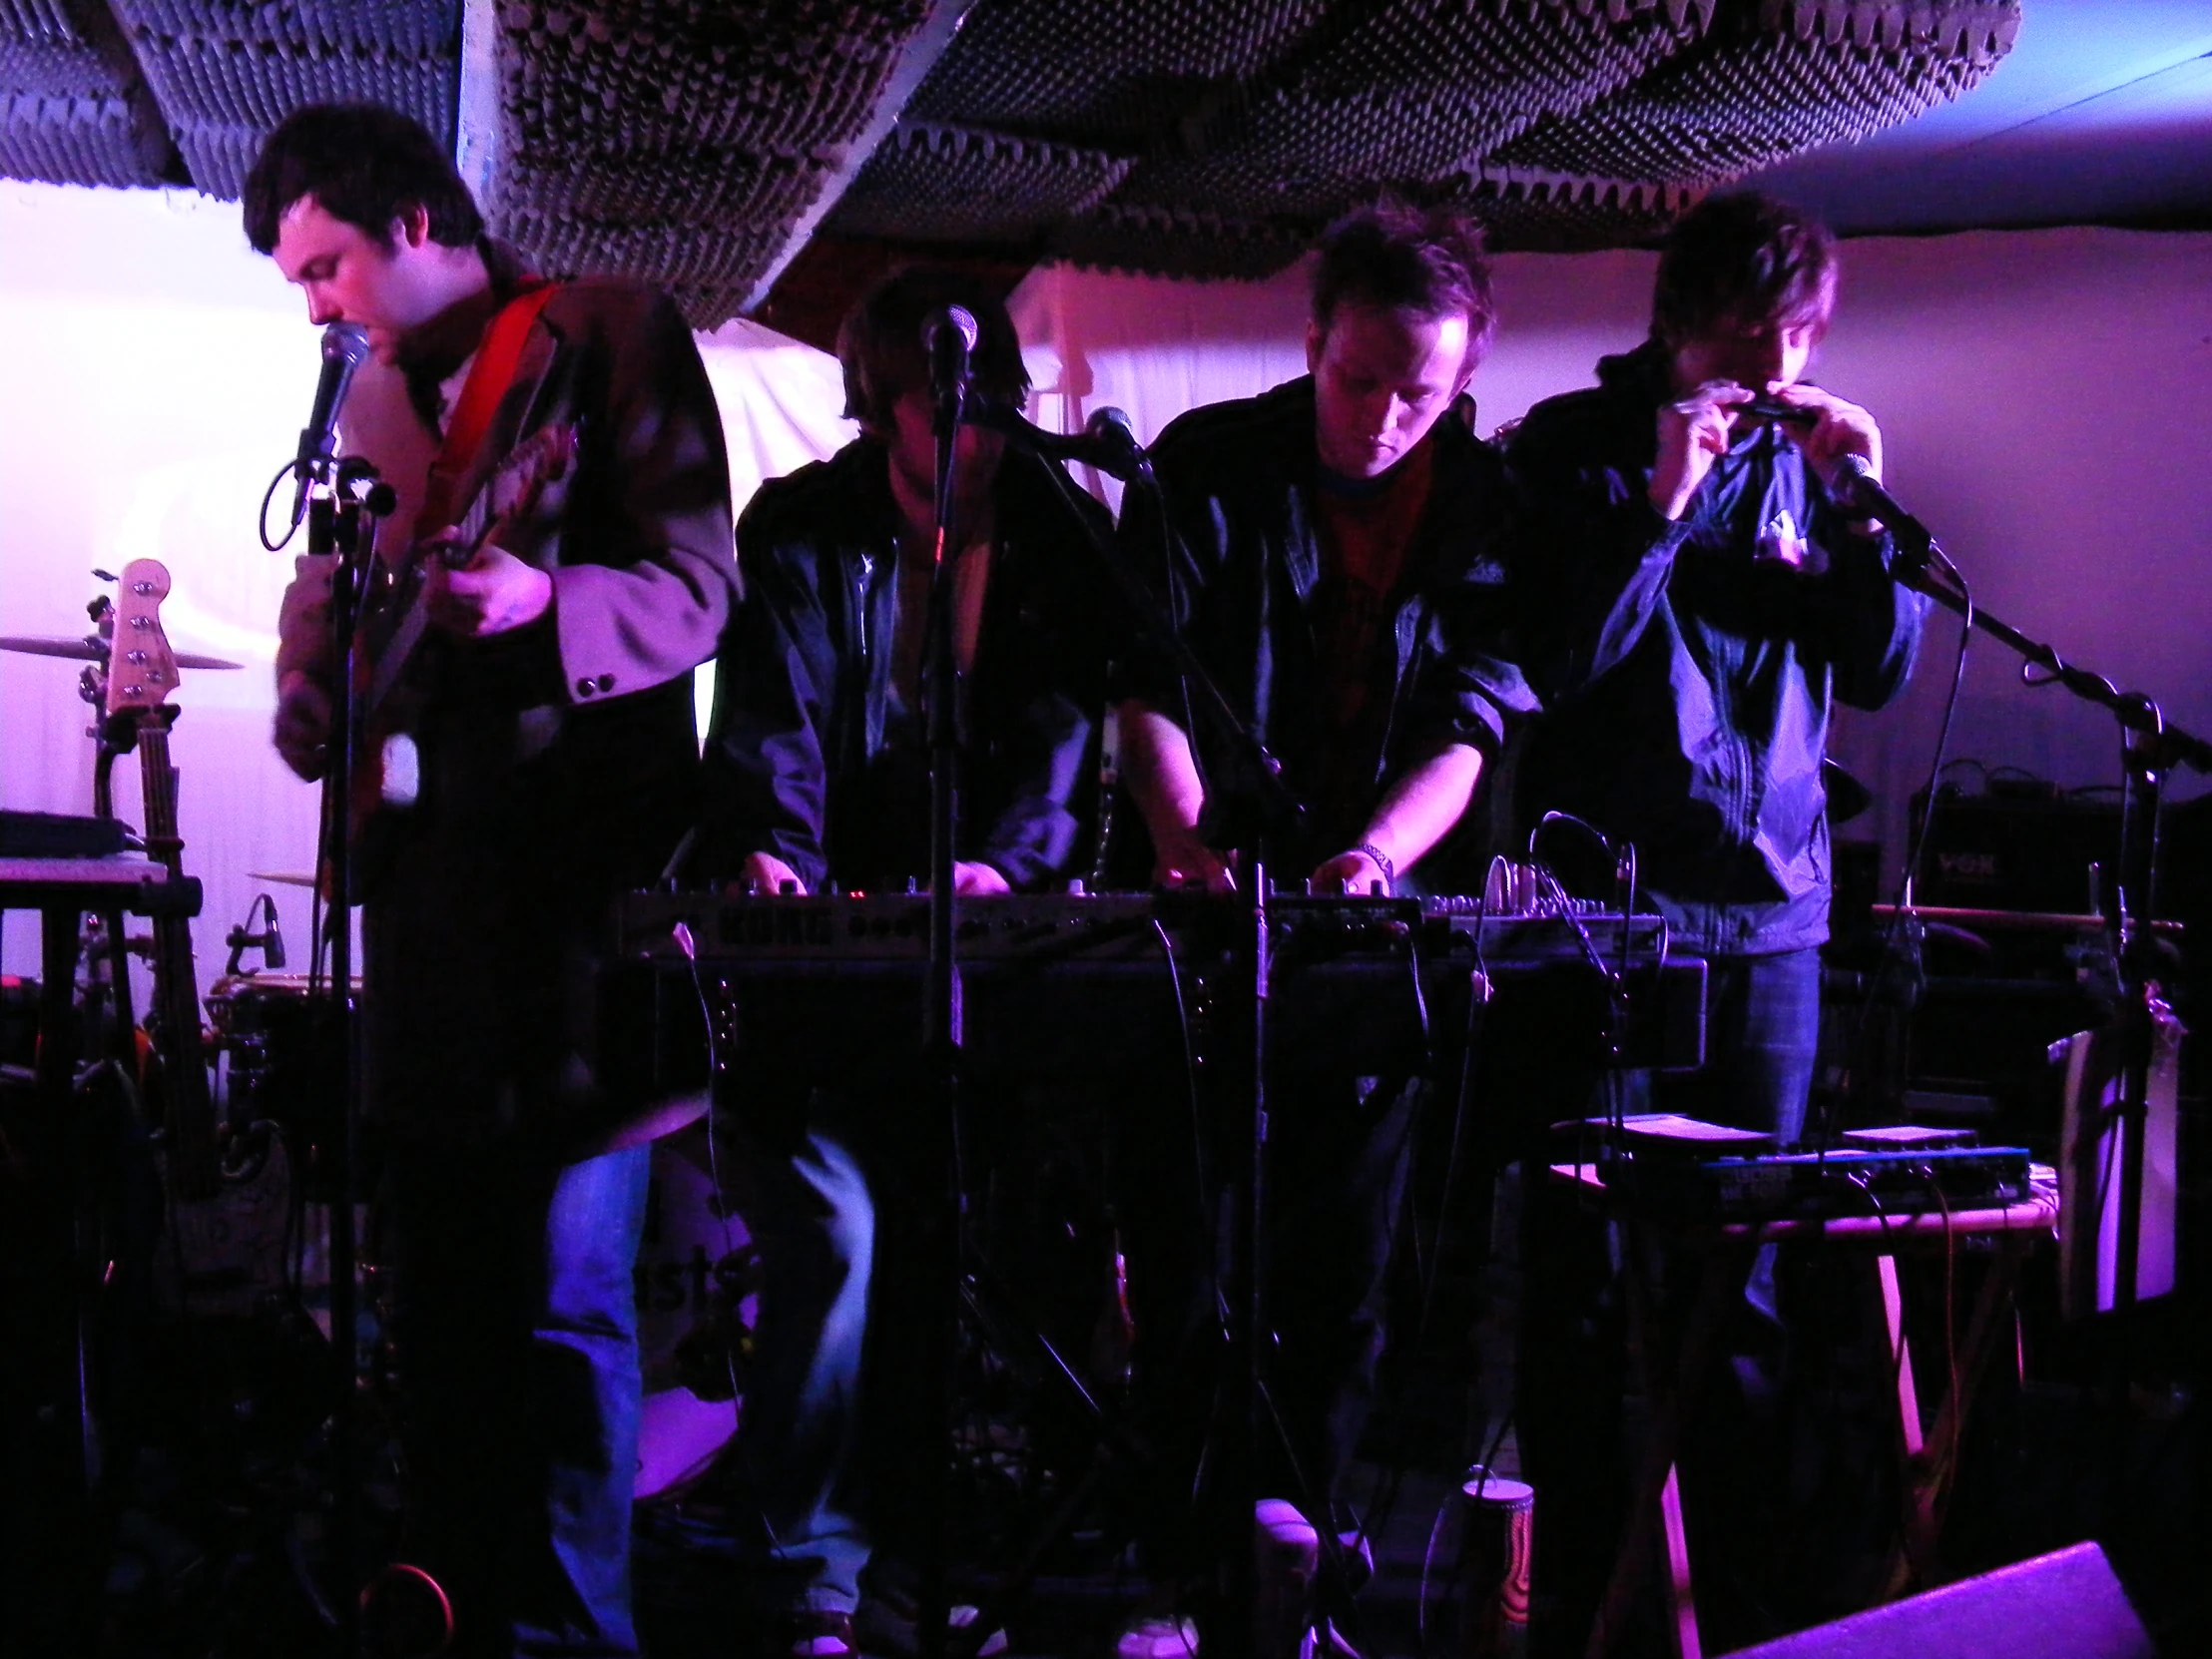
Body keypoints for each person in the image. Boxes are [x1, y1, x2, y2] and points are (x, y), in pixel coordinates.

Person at [246, 102, 737, 1657]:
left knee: (567, 1305)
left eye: (324, 264)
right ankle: (445, 1606)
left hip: (573, 933)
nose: (313, 303)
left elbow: (699, 584)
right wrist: (311, 679)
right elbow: (352, 640)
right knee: (438, 1313)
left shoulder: (605, 332)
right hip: (422, 932)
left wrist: (546, 595)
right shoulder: (368, 405)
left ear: (410, 223)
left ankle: (578, 1631)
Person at [1504, 191, 1927, 1651]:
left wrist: (1867, 505)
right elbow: (1551, 665)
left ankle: (1724, 1611)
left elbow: (1872, 670)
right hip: (1605, 924)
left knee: (1736, 1286)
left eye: (1804, 333)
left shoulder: (1811, 467)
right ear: (1680, 321)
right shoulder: (1568, 445)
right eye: (1756, 335)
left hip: (1772, 931)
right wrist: (1660, 504)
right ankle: (1572, 1604)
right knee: (1582, 1282)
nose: (1782, 359)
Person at [1111, 200, 1533, 1656]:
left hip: (1372, 932)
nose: (1387, 415)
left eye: (1422, 389)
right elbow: (1145, 675)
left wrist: (1371, 857)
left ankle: (1294, 1570)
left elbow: (1475, 716)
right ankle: (1181, 1572)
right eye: (1361, 379)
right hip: (1202, 921)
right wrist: (1186, 844)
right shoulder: (1206, 462)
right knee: (1189, 1260)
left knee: (1346, 1266)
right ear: (1313, 347)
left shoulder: (1485, 496)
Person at [697, 269, 1114, 1659]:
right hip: (815, 969)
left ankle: (912, 1566)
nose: (971, 441)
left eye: (988, 408)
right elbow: (774, 715)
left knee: (941, 1253)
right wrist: (773, 849)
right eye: (940, 413)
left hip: (973, 964)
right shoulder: (808, 526)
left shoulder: (1056, 528)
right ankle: (804, 1555)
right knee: (837, 1237)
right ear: (884, 410)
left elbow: (1066, 731)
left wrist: (1012, 860)